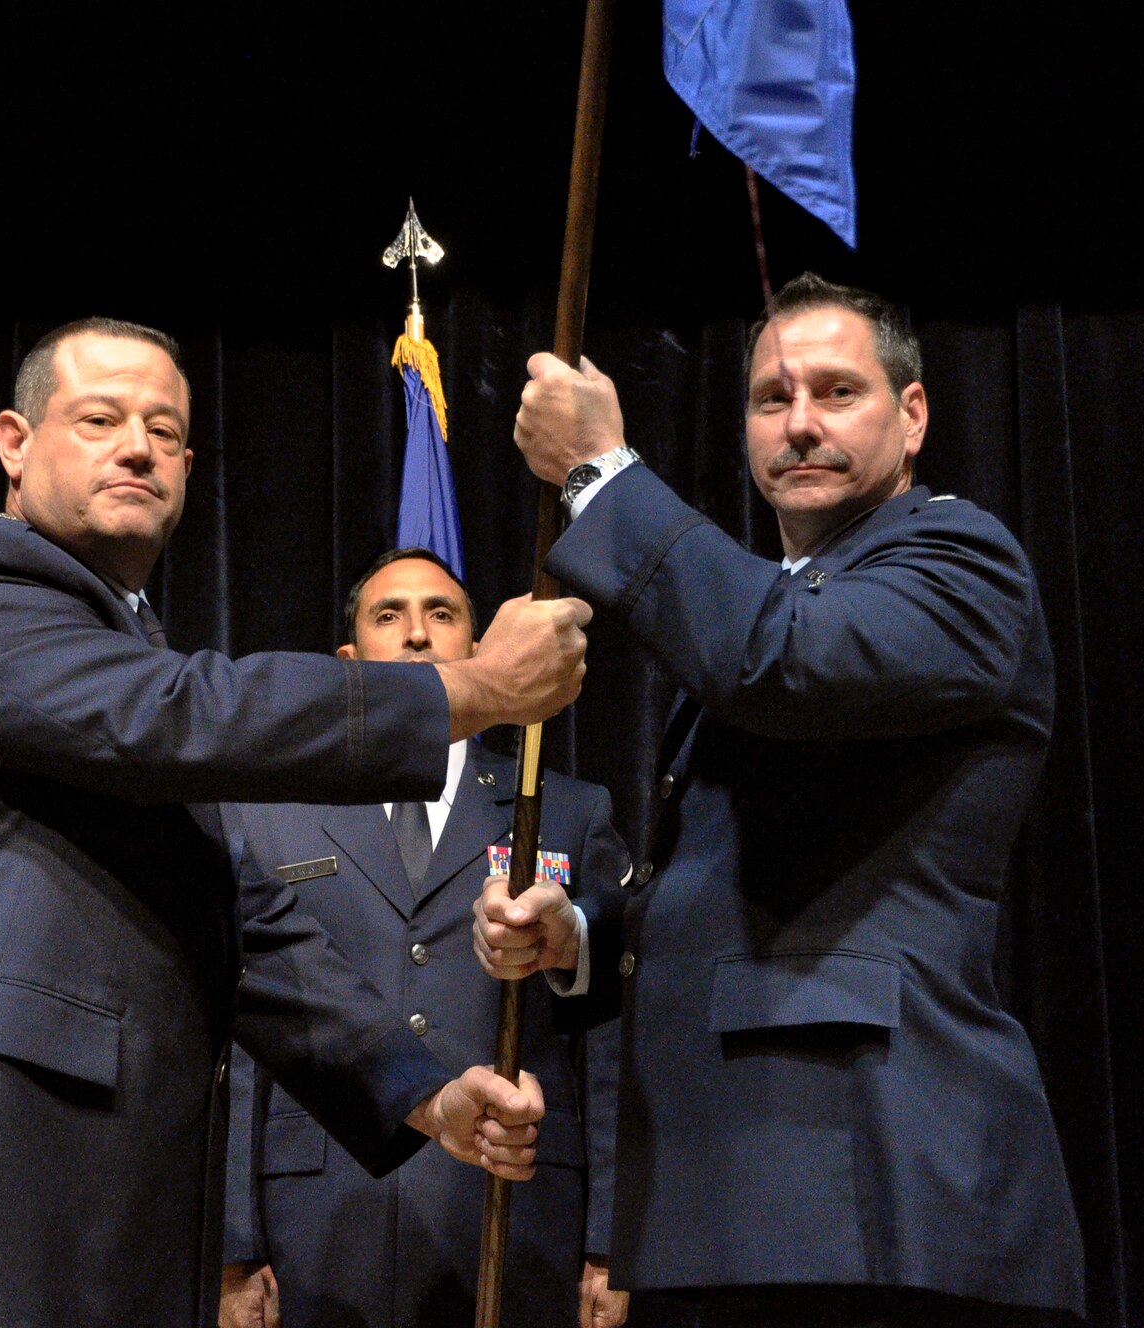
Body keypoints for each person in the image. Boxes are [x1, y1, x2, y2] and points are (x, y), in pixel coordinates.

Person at [0, 318, 597, 1328]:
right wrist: (468, 688)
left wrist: (421, 1092)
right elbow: (174, 713)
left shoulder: (119, 662)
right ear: (12, 441)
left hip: (95, 1242)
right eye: (100, 417)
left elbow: (246, 927)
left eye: (164, 431)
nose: (136, 445)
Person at [477, 274, 1086, 1327]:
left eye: (837, 390)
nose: (799, 421)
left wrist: (598, 470)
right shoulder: (784, 591)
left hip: (868, 1189)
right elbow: (722, 874)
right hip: (728, 1195)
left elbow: (775, 661)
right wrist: (576, 930)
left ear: (912, 414)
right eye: (770, 398)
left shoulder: (957, 560)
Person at [219, 548, 633, 1328]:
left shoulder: (565, 812)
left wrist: (612, 1243)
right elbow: (242, 1049)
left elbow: (608, 1042)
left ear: (479, 652)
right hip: (317, 1222)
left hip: (519, 1215)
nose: (416, 635)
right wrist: (234, 1246)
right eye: (389, 615)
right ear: (348, 661)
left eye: (440, 614)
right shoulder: (269, 814)